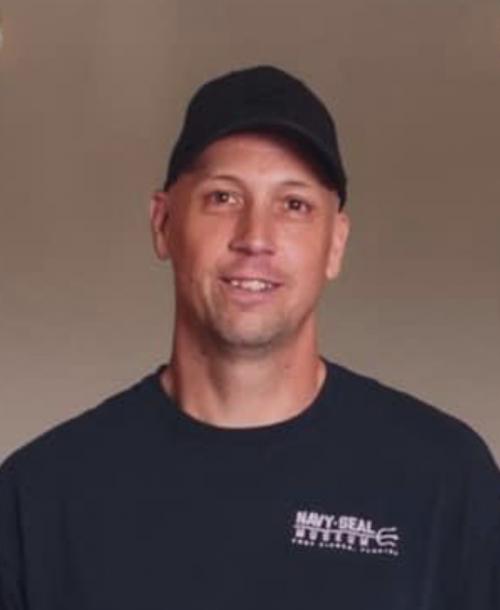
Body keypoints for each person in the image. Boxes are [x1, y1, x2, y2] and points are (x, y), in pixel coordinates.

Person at [0, 65, 499, 610]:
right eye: (223, 197)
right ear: (163, 223)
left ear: (335, 243)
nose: (256, 237)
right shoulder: (39, 497)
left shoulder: (445, 480)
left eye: (294, 205)